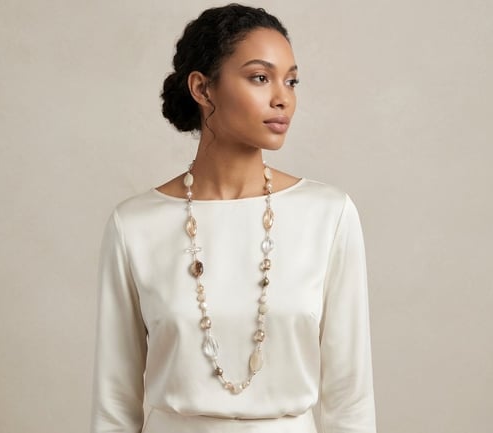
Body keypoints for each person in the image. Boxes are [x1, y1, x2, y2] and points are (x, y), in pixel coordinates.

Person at [91, 4, 376, 432]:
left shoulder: (328, 215)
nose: (283, 98)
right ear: (203, 89)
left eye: (291, 81)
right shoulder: (135, 225)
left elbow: (350, 398)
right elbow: (113, 404)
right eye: (260, 77)